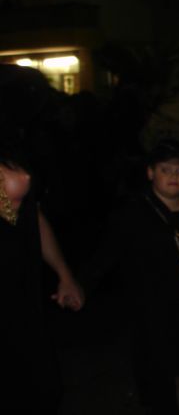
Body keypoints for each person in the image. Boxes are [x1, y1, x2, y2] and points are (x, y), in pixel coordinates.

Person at [80, 140, 179, 415]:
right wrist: (78, 284)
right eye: (166, 170)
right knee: (173, 374)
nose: (175, 177)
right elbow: (106, 254)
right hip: (152, 309)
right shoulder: (133, 213)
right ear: (151, 173)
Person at [1, 144, 84, 414]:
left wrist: (64, 273)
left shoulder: (12, 174)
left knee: (38, 393)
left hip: (21, 308)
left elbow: (27, 213)